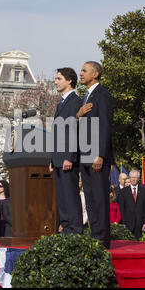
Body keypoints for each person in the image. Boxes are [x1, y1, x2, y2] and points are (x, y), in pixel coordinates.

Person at [77, 61, 114, 249]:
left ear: (96, 74)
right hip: (85, 154)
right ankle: (94, 235)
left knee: (99, 198)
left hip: (96, 156)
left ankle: (102, 240)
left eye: (84, 70)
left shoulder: (103, 95)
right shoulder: (85, 97)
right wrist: (78, 114)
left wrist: (101, 155)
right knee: (90, 198)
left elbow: (105, 126)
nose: (81, 73)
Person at [49, 67, 83, 235]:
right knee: (62, 197)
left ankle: (75, 230)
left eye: (59, 78)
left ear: (69, 81)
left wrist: (70, 157)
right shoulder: (61, 102)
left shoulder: (75, 101)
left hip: (67, 159)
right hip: (58, 158)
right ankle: (66, 228)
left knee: (70, 196)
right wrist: (52, 158)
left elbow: (74, 131)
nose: (55, 82)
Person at [119, 169, 145, 239]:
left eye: (135, 177)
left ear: (138, 179)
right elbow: (121, 209)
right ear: (129, 178)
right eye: (132, 177)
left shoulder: (144, 191)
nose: (133, 179)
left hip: (141, 225)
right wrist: (123, 223)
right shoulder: (123, 192)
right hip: (127, 225)